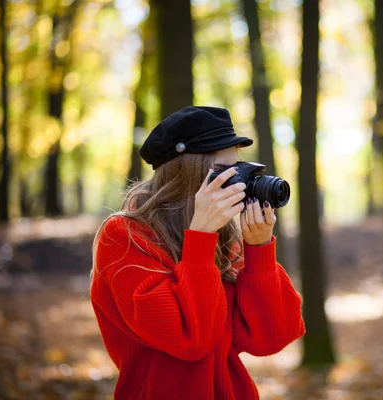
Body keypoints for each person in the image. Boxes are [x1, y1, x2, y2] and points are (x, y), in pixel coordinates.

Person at [90, 106, 305, 400]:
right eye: (222, 172)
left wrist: (259, 251)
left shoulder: (223, 238)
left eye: (237, 168)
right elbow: (190, 341)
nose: (237, 182)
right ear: (187, 173)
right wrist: (201, 239)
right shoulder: (124, 237)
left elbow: (272, 337)